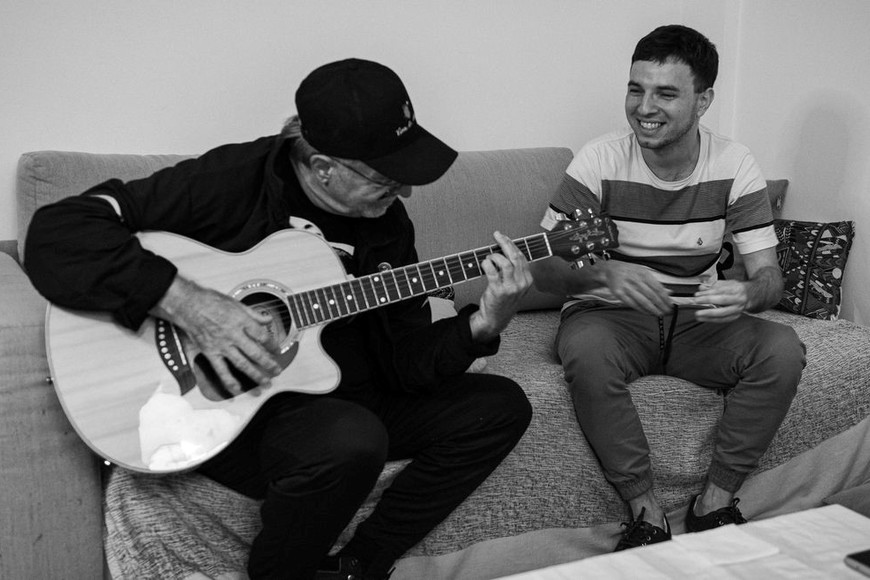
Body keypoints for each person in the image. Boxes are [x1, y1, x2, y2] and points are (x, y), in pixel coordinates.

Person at [25, 58, 533, 579]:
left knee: (499, 406)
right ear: (323, 168)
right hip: (227, 405)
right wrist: (191, 306)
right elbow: (58, 232)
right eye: (386, 179)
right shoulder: (229, 181)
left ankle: (358, 567)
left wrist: (482, 325)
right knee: (351, 437)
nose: (403, 193)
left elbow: (401, 362)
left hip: (337, 393)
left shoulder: (387, 224)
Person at [531, 25, 806, 550]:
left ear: (703, 100)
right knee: (587, 352)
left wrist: (748, 295)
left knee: (781, 349)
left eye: (666, 93)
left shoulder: (734, 165)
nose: (644, 107)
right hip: (609, 315)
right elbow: (543, 271)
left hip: (697, 318)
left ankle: (715, 504)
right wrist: (606, 274)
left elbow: (769, 277)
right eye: (636, 89)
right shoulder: (599, 160)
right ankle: (646, 512)